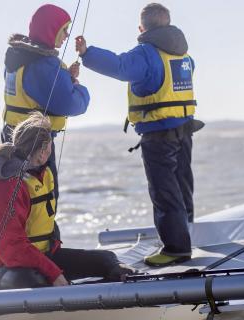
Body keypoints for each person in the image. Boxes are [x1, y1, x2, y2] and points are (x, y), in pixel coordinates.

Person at [75, 3, 203, 267]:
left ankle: (177, 248)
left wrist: (87, 54)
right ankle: (185, 232)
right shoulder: (184, 54)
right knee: (181, 184)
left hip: (159, 135)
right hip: (184, 131)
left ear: (141, 28)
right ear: (168, 24)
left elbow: (121, 66)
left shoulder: (146, 53)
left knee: (164, 190)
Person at [0, 112, 135, 289]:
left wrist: (53, 266)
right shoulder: (7, 186)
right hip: (2, 266)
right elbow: (11, 248)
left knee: (106, 259)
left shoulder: (41, 174)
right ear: (44, 150)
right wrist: (53, 273)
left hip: (38, 257)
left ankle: (124, 279)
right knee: (35, 280)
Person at [1, 4, 90, 203]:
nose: (67, 35)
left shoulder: (17, 58)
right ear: (50, 31)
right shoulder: (43, 65)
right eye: (64, 30)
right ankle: (43, 235)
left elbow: (34, 90)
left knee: (16, 196)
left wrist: (66, 78)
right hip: (35, 142)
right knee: (41, 199)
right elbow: (71, 104)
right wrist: (80, 88)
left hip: (10, 136)